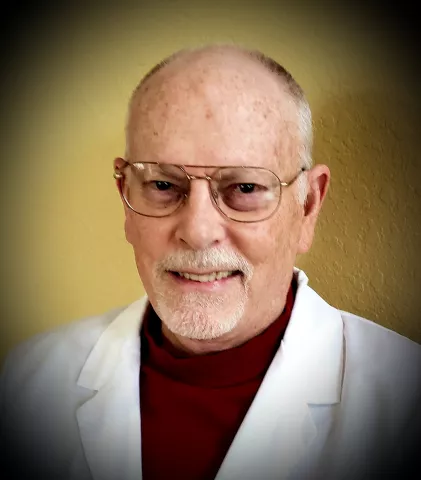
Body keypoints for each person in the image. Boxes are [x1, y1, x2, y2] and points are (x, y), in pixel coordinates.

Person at [1, 44, 420, 480]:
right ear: (126, 200)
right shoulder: (30, 381)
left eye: (244, 188)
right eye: (163, 185)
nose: (198, 231)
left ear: (308, 206)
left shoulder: (406, 404)